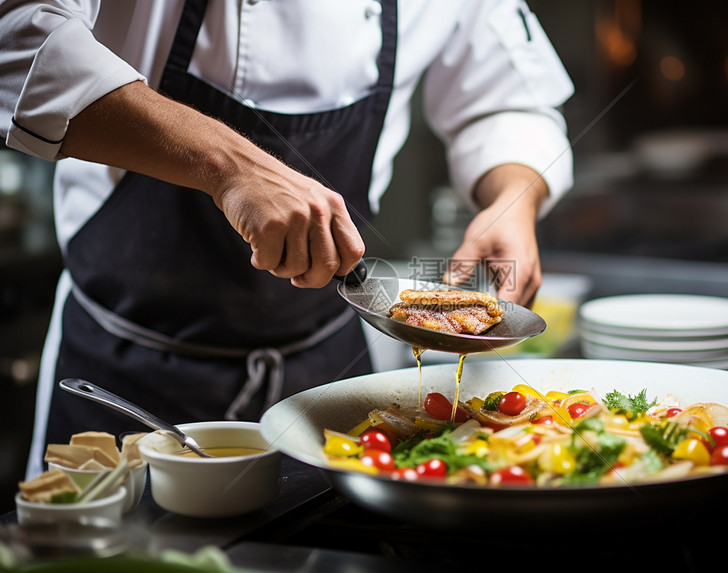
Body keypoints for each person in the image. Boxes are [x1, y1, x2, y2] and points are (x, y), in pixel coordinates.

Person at [0, 0, 574, 479]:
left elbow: (506, 99)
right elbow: (17, 39)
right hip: (126, 376)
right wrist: (230, 166)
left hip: (328, 377)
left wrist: (513, 200)